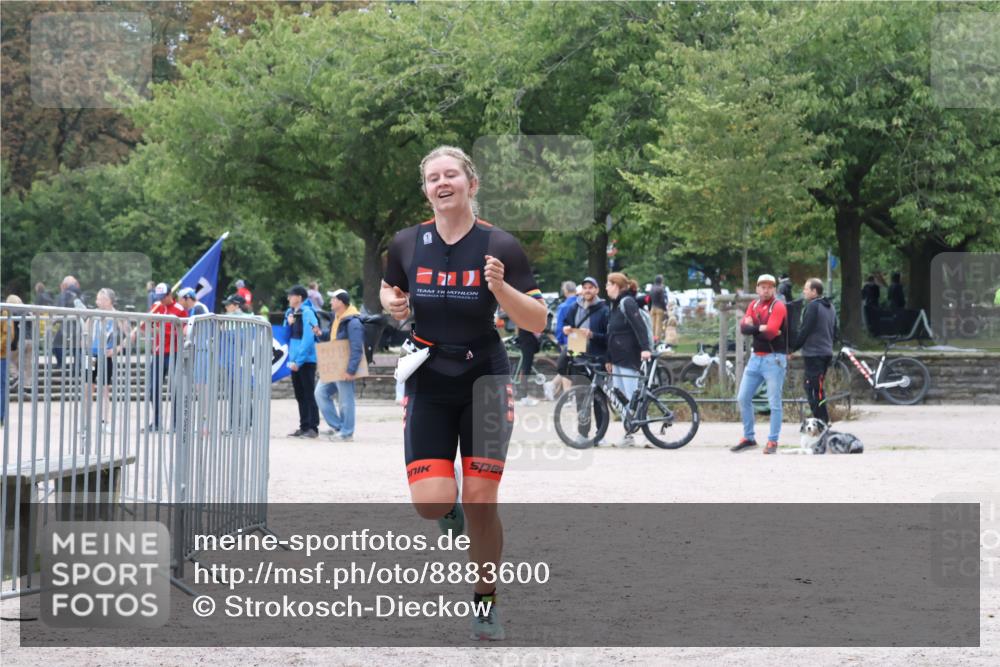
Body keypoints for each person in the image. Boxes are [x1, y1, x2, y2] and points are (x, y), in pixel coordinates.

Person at [381, 145, 547, 641]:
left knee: (481, 500)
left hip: (486, 380)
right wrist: (393, 300)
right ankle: (446, 507)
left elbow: (536, 321)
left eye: (451, 174)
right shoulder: (407, 243)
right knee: (432, 503)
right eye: (433, 177)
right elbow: (392, 290)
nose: (442, 182)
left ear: (471, 185)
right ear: (427, 190)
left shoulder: (502, 246)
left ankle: (486, 600)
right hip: (429, 378)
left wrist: (500, 289)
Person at [732, 274, 789, 454]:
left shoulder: (778, 306)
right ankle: (749, 437)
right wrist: (760, 328)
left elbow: (771, 332)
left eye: (770, 287)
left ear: (774, 289)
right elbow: (743, 328)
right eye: (763, 287)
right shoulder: (754, 305)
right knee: (743, 397)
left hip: (774, 358)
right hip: (756, 358)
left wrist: (754, 327)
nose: (766, 290)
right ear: (757, 289)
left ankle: (773, 441)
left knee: (774, 402)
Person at [604, 273, 652, 447]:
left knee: (632, 397)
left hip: (629, 357)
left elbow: (639, 326)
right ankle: (629, 433)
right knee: (621, 397)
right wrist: (608, 358)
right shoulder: (615, 305)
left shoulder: (627, 302)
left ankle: (648, 433)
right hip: (617, 357)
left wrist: (645, 348)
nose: (606, 288)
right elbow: (611, 333)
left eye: (608, 284)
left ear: (616, 285)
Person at [314, 289, 364, 442]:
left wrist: (351, 370)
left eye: (333, 299)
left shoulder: (353, 321)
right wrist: (320, 333)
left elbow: (357, 348)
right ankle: (339, 427)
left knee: (345, 400)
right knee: (320, 393)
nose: (330, 302)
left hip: (345, 368)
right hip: (335, 365)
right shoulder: (337, 318)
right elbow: (331, 337)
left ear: (341, 302)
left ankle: (347, 433)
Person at [790, 278, 837, 426]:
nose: (804, 291)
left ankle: (820, 421)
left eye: (806, 289)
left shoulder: (813, 307)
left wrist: (792, 348)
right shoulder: (830, 307)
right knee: (819, 388)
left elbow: (805, 330)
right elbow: (836, 331)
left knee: (811, 388)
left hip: (814, 354)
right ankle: (824, 420)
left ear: (814, 291)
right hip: (826, 352)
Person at [142, 285, 187, 432]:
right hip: (158, 353)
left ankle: (175, 424)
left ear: (170, 295)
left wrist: (163, 329)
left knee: (175, 389)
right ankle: (156, 422)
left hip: (174, 353)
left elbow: (184, 331)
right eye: (159, 298)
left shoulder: (180, 309)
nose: (161, 300)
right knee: (152, 389)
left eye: (163, 297)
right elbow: (144, 326)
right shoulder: (157, 306)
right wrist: (149, 324)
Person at [87, 288, 128, 434]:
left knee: (104, 389)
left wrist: (117, 349)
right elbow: (86, 331)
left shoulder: (117, 316)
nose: (97, 301)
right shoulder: (93, 314)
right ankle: (86, 422)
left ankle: (105, 421)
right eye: (97, 299)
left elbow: (129, 335)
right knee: (88, 387)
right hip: (91, 356)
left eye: (100, 299)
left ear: (108, 300)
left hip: (106, 356)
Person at [284, 284, 319, 438]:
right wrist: (288, 322)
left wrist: (299, 361)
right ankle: (304, 426)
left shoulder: (308, 313)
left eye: (291, 295)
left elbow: (309, 338)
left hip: (307, 360)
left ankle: (313, 427)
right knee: (299, 394)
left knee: (309, 393)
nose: (288, 298)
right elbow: (286, 334)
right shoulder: (290, 313)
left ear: (298, 297)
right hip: (294, 360)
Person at [553, 281, 577, 347]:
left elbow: (559, 327)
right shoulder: (583, 304)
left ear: (565, 291)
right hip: (582, 340)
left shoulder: (563, 307)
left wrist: (559, 341)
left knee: (571, 356)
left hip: (568, 340)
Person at [649, 275, 667, 343]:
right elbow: (662, 300)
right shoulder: (661, 288)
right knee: (658, 325)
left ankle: (652, 339)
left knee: (652, 325)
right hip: (659, 308)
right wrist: (665, 309)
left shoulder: (652, 288)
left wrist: (649, 307)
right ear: (661, 280)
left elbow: (649, 299)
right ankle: (657, 340)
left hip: (652, 308)